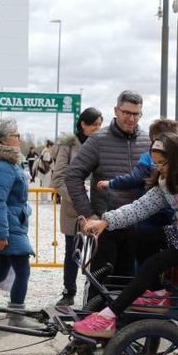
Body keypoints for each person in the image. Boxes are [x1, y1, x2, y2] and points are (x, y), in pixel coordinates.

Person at [73, 132, 178, 338]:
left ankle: (109, 316)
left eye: (162, 163)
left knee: (155, 262)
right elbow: (141, 207)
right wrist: (106, 221)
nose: (159, 168)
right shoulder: (166, 180)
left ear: (176, 157)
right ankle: (158, 294)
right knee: (135, 237)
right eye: (156, 164)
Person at [64, 91, 149, 279]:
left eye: (136, 114)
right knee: (99, 285)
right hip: (106, 226)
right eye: (127, 112)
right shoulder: (98, 140)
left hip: (138, 226)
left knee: (129, 289)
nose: (131, 118)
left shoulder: (147, 140)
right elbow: (73, 175)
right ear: (116, 110)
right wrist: (88, 213)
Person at [0, 118, 37, 328]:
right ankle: (16, 316)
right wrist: (2, 234)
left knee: (1, 271)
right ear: (4, 140)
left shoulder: (6, 163)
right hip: (9, 226)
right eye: (15, 135)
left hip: (11, 223)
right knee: (22, 271)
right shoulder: (3, 167)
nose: (19, 138)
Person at [51, 107, 103, 306]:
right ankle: (69, 291)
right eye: (93, 124)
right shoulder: (68, 146)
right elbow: (58, 179)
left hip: (98, 207)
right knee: (73, 252)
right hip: (74, 209)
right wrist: (79, 199)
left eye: (100, 124)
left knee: (98, 252)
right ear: (83, 124)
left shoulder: (102, 143)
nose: (97, 128)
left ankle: (95, 294)